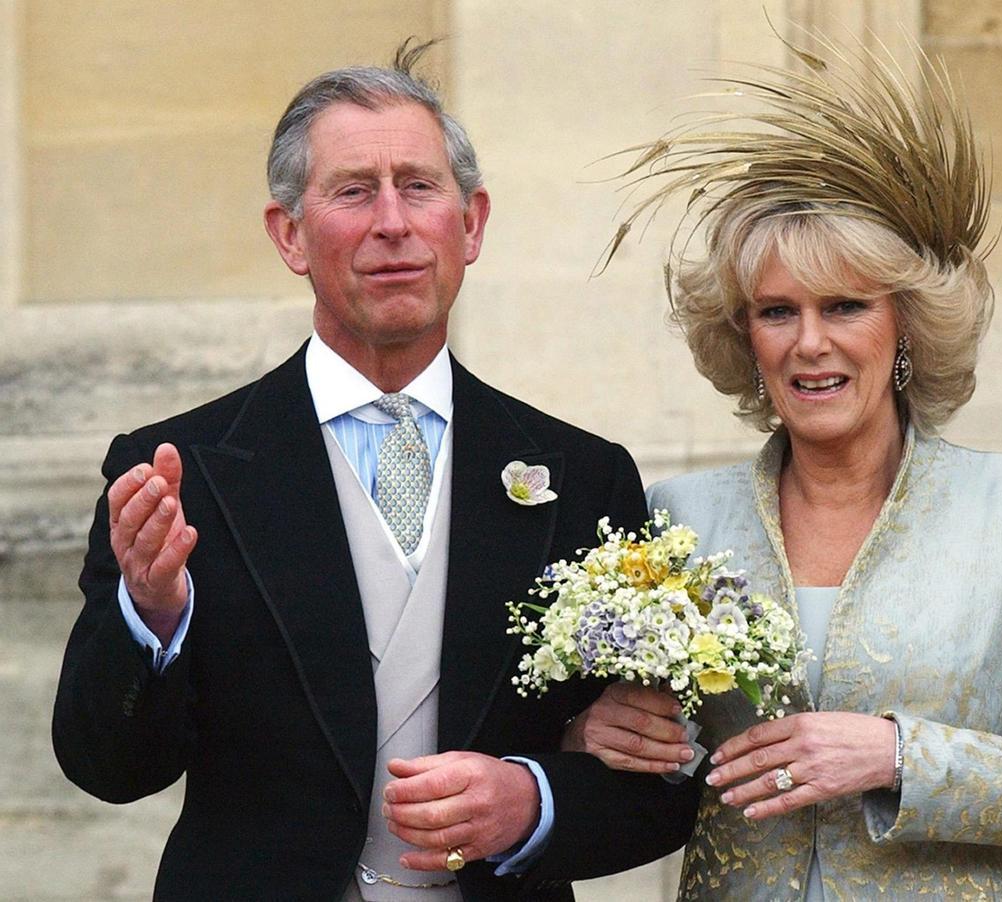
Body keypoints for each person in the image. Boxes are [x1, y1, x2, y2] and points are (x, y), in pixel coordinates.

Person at [52, 39, 696, 901]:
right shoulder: (178, 474)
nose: (392, 222)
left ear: (470, 225)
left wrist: (532, 799)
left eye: (420, 187)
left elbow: (654, 785)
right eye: (354, 191)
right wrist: (152, 617)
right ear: (290, 234)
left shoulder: (584, 477)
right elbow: (107, 766)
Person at [564, 36, 1002, 900]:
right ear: (745, 338)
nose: (810, 343)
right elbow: (660, 771)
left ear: (905, 326)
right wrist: (599, 735)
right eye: (777, 311)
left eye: (846, 305)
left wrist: (894, 755)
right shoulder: (681, 516)